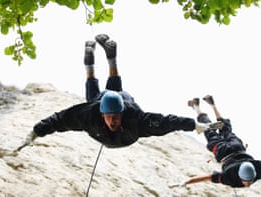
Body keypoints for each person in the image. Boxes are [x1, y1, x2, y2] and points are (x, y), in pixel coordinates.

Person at [22, 34, 217, 149]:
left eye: (116, 117)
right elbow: (60, 119)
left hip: (124, 101)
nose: (113, 121)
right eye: (110, 117)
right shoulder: (91, 116)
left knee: (107, 94)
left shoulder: (136, 120)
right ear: (103, 115)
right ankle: (104, 61)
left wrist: (194, 125)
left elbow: (166, 122)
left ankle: (97, 64)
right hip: (104, 104)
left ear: (121, 114)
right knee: (94, 99)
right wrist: (36, 132)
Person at [185, 95, 261, 188]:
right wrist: (187, 182)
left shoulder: (259, 169)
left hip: (238, 147)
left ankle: (212, 106)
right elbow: (207, 177)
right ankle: (196, 107)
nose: (248, 185)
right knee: (209, 130)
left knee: (225, 128)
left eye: (250, 181)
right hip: (223, 152)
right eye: (247, 182)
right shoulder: (228, 176)